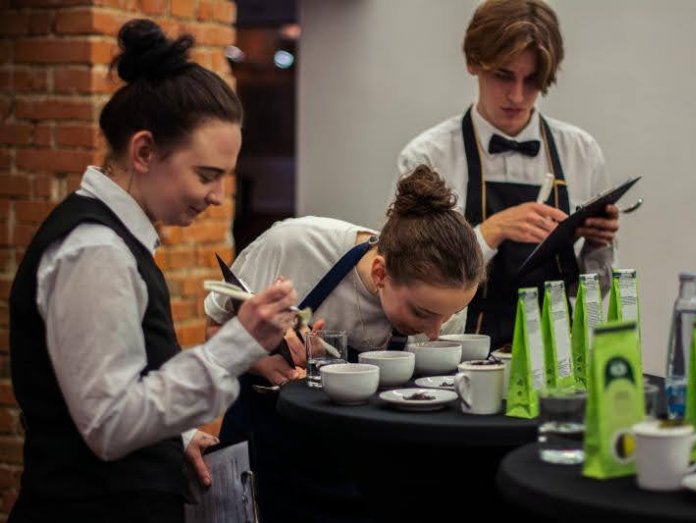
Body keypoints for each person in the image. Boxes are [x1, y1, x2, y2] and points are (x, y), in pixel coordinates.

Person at [8, 19, 298, 523]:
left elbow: (121, 381)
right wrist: (235, 345)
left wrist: (177, 435)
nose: (216, 197)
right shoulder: (93, 251)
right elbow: (108, 425)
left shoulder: (117, 239)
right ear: (144, 151)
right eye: (206, 175)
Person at [204, 164, 485, 521]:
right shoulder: (294, 247)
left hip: (368, 480)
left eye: (449, 315)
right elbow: (213, 333)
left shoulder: (441, 303)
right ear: (381, 272)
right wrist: (260, 357)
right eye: (422, 313)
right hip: (271, 464)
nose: (435, 331)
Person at [397, 0, 620, 349]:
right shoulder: (428, 156)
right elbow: (410, 282)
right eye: (503, 75)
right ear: (473, 62)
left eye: (531, 80)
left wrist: (598, 244)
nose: (517, 96)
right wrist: (490, 232)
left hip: (557, 354)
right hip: (459, 354)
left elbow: (596, 290)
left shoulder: (581, 151)